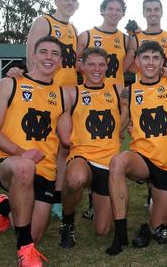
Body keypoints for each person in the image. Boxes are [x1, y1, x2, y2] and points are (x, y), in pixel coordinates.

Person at [0, 36, 66, 266]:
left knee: (35, 233)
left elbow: (67, 138)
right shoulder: (9, 84)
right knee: (24, 166)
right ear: (33, 56)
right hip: (10, 163)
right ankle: (25, 252)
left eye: (54, 54)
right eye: (43, 52)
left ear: (60, 61)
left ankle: (4, 205)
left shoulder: (62, 94)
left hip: (45, 171)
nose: (48, 57)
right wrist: (20, 151)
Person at [105, 41, 167, 255]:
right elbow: (118, 126)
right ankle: (120, 235)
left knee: (159, 228)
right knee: (118, 162)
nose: (150, 62)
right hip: (142, 158)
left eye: (155, 58)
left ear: (162, 62)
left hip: (166, 164)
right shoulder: (128, 93)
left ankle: (147, 227)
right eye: (146, 58)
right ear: (137, 62)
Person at [57, 47, 126, 248]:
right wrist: (64, 137)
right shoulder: (71, 91)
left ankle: (96, 203)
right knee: (75, 179)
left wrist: (121, 128)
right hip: (82, 156)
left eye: (102, 64)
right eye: (92, 64)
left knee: (102, 230)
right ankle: (67, 223)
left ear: (107, 66)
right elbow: (59, 111)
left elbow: (131, 107)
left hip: (109, 162)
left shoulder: (117, 89)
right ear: (82, 67)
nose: (97, 69)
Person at [24, 0, 80, 86]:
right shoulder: (43, 22)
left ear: (77, 5)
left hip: (71, 92)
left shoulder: (74, 29)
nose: (70, 3)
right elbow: (31, 60)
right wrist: (40, 87)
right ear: (56, 2)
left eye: (73, 0)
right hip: (49, 91)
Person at [76, 0, 136, 87]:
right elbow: (72, 64)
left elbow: (127, 68)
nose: (114, 13)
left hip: (116, 96)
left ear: (122, 14)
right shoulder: (86, 36)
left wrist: (138, 35)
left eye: (118, 10)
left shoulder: (127, 40)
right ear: (102, 10)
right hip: (91, 95)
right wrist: (82, 67)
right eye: (110, 9)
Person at [129, 0, 167, 75]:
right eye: (148, 10)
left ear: (162, 12)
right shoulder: (136, 39)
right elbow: (129, 67)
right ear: (143, 13)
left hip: (166, 86)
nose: (153, 13)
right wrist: (151, 71)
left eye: (156, 9)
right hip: (143, 86)